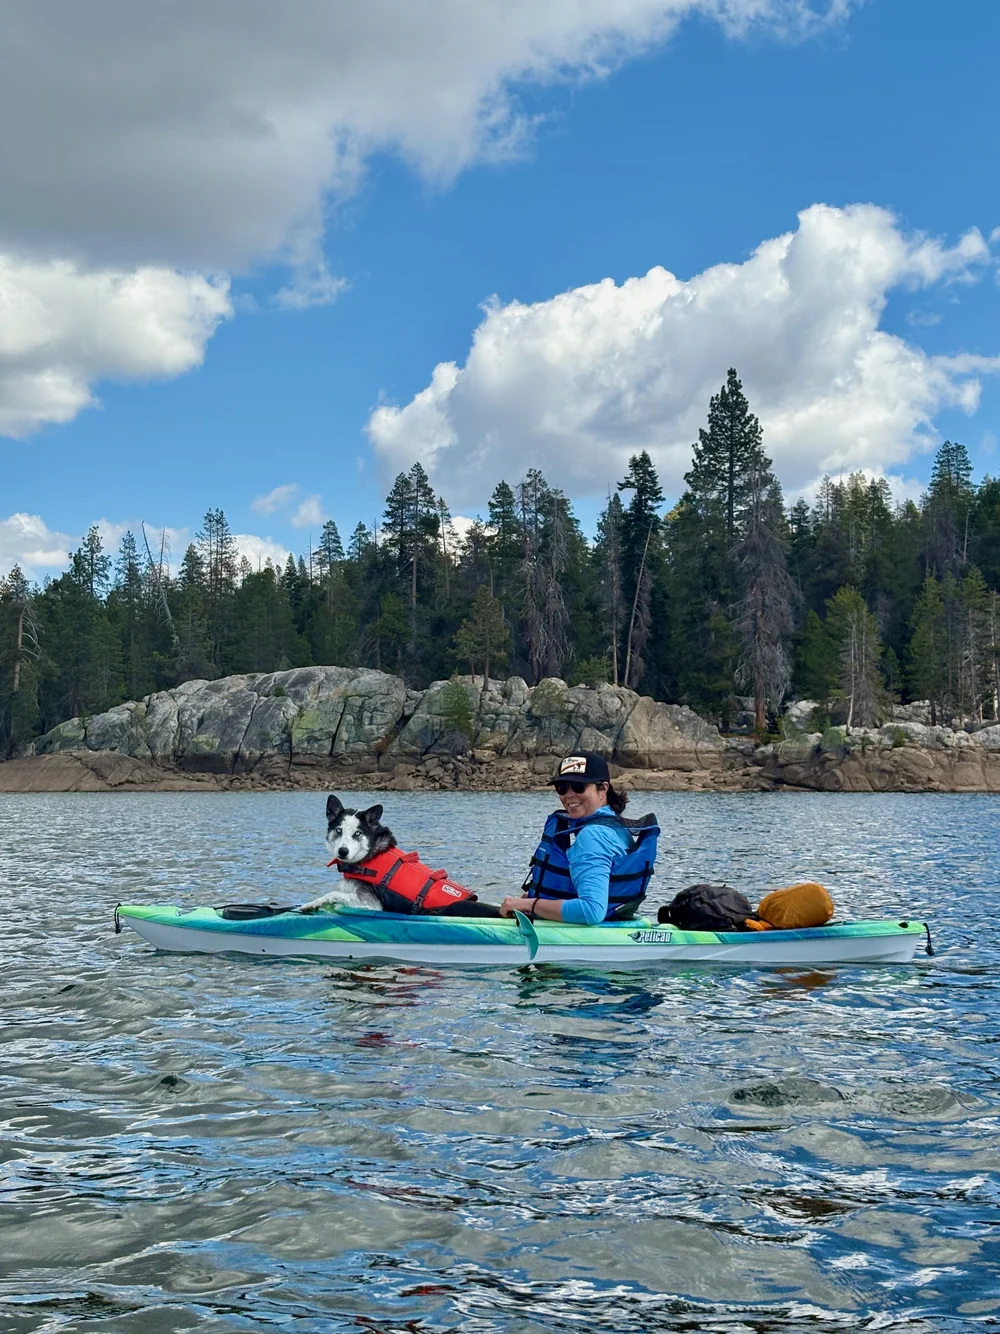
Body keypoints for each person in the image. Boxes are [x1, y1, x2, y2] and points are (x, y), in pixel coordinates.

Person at [499, 752, 659, 925]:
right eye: (561, 788)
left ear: (603, 789)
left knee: (467, 909)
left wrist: (531, 905)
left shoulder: (592, 836)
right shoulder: (614, 826)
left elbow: (591, 911)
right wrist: (539, 899)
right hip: (613, 921)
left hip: (586, 934)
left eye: (578, 786)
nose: (569, 795)